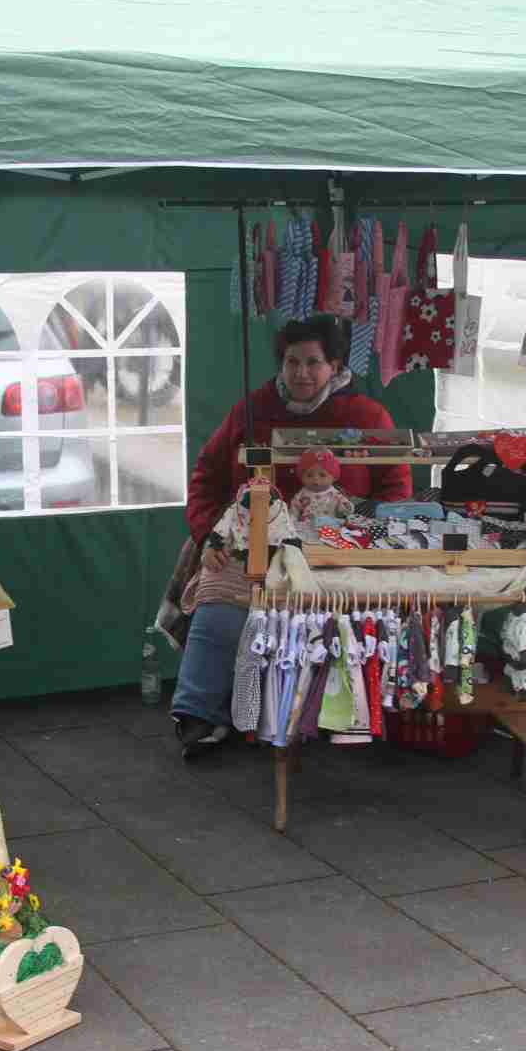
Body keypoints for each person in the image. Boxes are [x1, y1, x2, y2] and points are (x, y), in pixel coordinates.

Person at [169, 314, 410, 758]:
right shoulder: (251, 410)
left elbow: (395, 490)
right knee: (219, 604)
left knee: (338, 619)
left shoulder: (367, 416)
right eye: (292, 362)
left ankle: (325, 713)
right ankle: (200, 713)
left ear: (335, 365)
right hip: (251, 544)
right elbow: (205, 478)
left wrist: (362, 534)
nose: (301, 373)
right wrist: (209, 535)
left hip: (338, 550)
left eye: (313, 362)